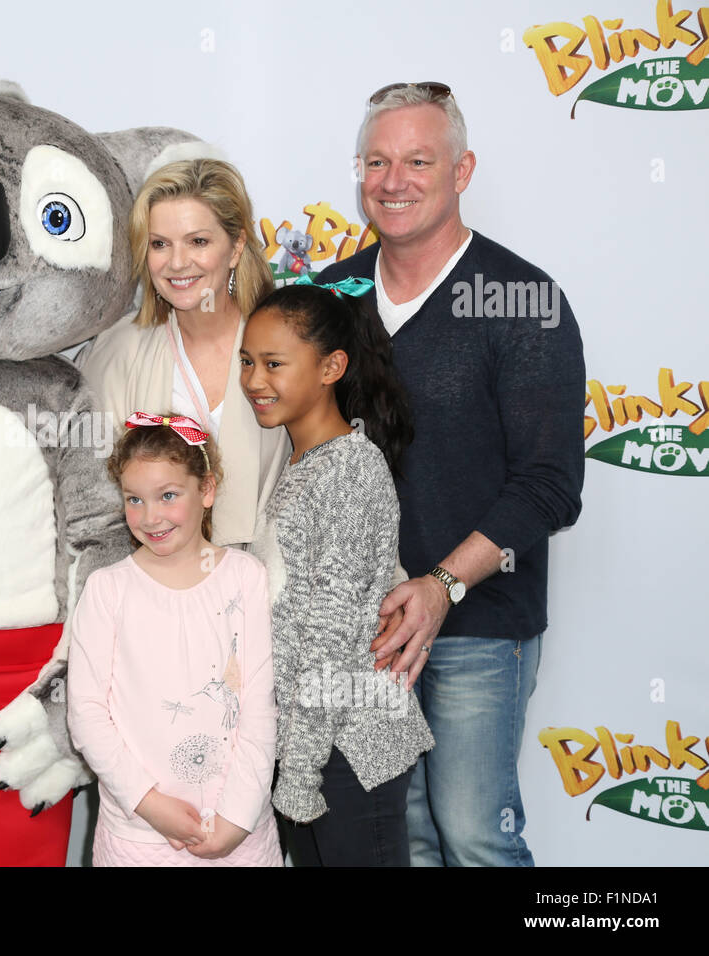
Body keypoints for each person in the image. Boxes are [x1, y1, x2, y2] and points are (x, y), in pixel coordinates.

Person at [317, 82, 585, 866]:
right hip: (365, 633)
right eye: (376, 161)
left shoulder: (523, 301)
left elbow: (551, 483)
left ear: (462, 171)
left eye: (417, 160)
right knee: (405, 838)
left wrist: (441, 586)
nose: (392, 179)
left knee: (475, 835)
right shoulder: (331, 297)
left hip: (477, 622)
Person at [242, 279, 433, 866]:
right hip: (311, 742)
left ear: (332, 368)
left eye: (274, 363)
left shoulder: (350, 470)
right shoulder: (304, 462)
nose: (254, 380)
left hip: (347, 748)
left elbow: (328, 638)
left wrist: (299, 771)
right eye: (247, 362)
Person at [66, 413, 281, 866]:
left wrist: (236, 818)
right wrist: (150, 805)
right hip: (139, 837)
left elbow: (259, 707)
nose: (151, 517)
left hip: (238, 832)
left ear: (206, 489)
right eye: (134, 499)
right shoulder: (108, 590)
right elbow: (87, 713)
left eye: (168, 496)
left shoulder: (245, 579)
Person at [77, 158, 277, 547]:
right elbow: (94, 498)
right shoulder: (116, 353)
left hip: (271, 590)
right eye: (160, 244)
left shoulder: (290, 345)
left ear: (235, 248)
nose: (178, 262)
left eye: (198, 241)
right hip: (151, 590)